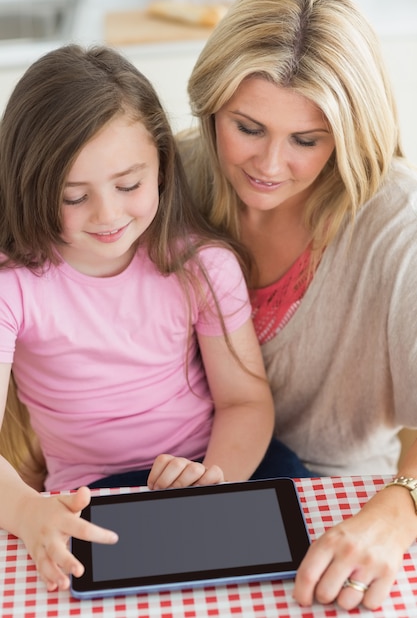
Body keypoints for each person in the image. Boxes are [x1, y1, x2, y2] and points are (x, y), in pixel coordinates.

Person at [0, 43, 283, 594]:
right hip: (94, 495)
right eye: (73, 196)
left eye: (129, 186)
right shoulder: (12, 289)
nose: (108, 216)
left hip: (219, 465)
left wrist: (212, 481)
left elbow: (245, 403)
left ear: (161, 166)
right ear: (29, 188)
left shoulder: (202, 265)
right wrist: (26, 511)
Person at [179, 0, 417, 611]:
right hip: (182, 485)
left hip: (341, 504)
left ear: (348, 135)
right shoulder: (168, 177)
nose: (269, 164)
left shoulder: (398, 224)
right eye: (247, 127)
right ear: (211, 109)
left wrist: (398, 507)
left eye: (307, 140)